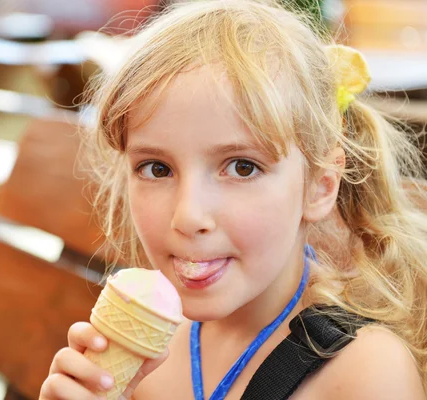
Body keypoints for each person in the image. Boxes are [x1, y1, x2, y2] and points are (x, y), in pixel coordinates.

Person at [39, 0, 427, 399]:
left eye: (242, 167)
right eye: (157, 168)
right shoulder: (149, 357)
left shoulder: (365, 374)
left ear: (320, 186)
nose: (188, 216)